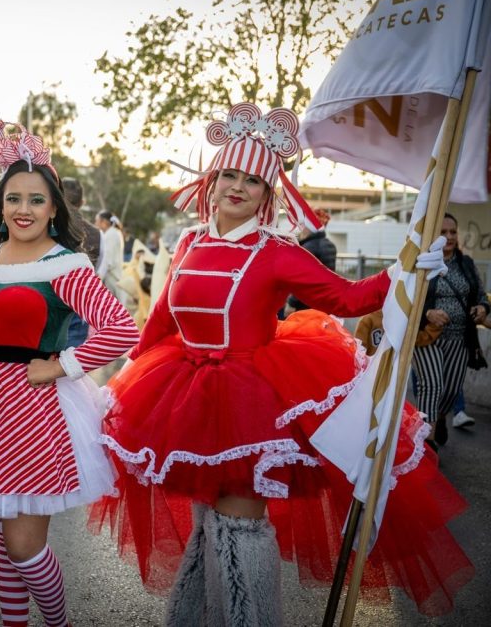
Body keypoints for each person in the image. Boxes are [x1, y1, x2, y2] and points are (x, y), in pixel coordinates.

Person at [93, 103, 470, 623]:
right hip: (184, 400)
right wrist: (121, 382)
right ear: (211, 180)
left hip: (250, 404)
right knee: (208, 525)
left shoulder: (277, 250)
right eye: (229, 174)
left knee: (241, 526)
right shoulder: (189, 242)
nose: (237, 187)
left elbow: (346, 297)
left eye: (252, 180)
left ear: (268, 192)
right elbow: (161, 318)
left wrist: (404, 270)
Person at [0, 121, 138, 627]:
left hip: (33, 409)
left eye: (37, 200)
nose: (24, 209)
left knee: (24, 545)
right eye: (14, 198)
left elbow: (121, 329)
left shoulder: (66, 264)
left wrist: (60, 365)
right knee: (4, 536)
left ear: (54, 208)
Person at [413, 213, 489, 446]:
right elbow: (408, 300)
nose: (449, 237)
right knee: (431, 384)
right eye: (443, 232)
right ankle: (426, 445)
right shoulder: (422, 263)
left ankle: (438, 418)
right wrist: (428, 313)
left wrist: (482, 307)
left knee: (451, 390)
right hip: (427, 336)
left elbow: (480, 295)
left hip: (460, 339)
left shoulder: (466, 263)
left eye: (453, 232)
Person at [61, 177, 101, 347]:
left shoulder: (43, 228)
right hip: (80, 306)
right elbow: (99, 270)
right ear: (82, 202)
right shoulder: (97, 233)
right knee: (71, 359)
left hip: (47, 308)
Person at [285, 208, 337, 315]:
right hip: (325, 302)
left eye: (303, 225)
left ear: (309, 228)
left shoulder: (307, 248)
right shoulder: (330, 245)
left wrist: (291, 303)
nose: (301, 229)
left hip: (306, 304)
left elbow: (301, 281)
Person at [96, 209, 124, 299]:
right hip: (113, 275)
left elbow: (107, 259)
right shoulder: (114, 233)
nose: (96, 224)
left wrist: (99, 277)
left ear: (104, 222)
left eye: (97, 221)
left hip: (112, 277)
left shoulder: (111, 235)